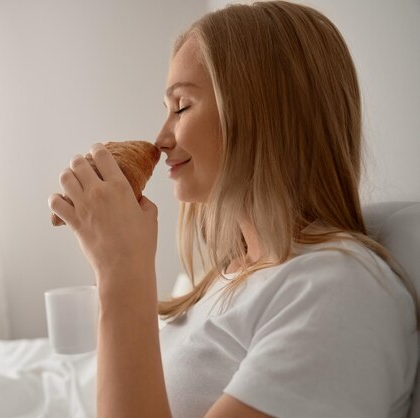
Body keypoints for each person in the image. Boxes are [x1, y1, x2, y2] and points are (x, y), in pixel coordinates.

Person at [48, 1, 419, 417]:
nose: (162, 138)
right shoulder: (234, 274)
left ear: (262, 112)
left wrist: (121, 272)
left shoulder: (337, 293)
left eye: (182, 106)